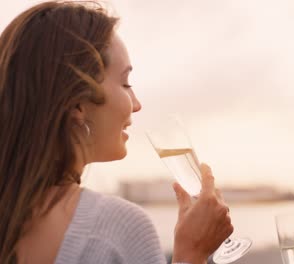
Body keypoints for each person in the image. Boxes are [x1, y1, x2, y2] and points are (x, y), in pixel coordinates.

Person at [0, 1, 232, 263]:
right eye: (125, 83)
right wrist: (192, 252)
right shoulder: (118, 229)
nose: (136, 104)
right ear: (77, 103)